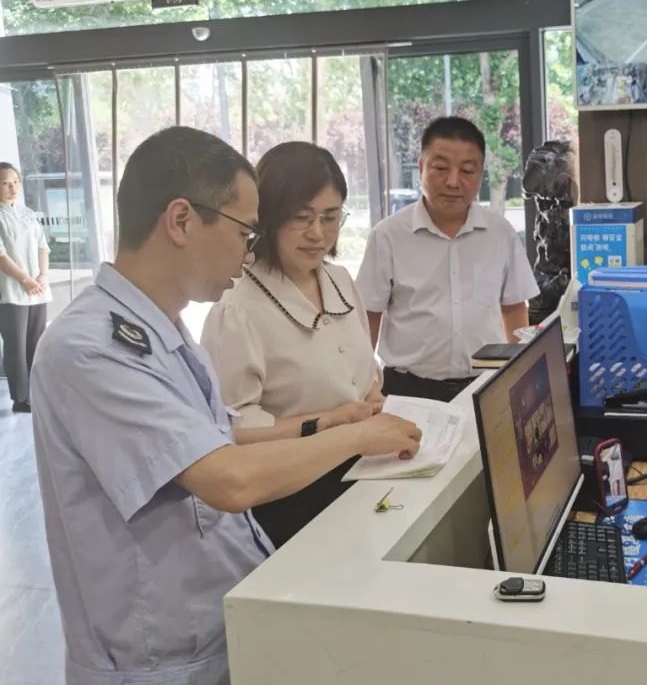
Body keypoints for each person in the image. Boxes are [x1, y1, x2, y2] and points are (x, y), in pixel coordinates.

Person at [30, 126, 421, 685]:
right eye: (244, 230)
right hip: (160, 659)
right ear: (181, 220)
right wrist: (356, 437)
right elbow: (228, 480)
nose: (248, 249)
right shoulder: (92, 348)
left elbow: (221, 436)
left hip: (224, 619)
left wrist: (329, 421)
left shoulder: (165, 332)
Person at [202, 142, 395, 548]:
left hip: (365, 472)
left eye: (330, 217)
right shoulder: (237, 308)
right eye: (302, 218)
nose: (318, 234)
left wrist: (372, 396)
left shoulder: (339, 280)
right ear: (268, 218)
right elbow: (231, 427)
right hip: (293, 495)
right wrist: (326, 422)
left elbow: (364, 371)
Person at [358, 116, 539, 402]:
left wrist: (522, 378)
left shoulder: (500, 233)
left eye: (467, 170)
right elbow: (369, 316)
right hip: (407, 390)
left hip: (485, 386)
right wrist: (361, 386)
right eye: (441, 168)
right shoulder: (388, 236)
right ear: (421, 168)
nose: (453, 182)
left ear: (480, 174)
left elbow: (514, 309)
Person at [0, 162, 51, 412]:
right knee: (16, 348)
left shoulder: (28, 213)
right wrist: (25, 279)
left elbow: (43, 247)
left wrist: (42, 276)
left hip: (37, 290)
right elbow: (1, 256)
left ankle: (36, 393)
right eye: (5, 183)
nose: (12, 187)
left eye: (15, 182)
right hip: (11, 293)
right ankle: (21, 399)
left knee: (36, 344)